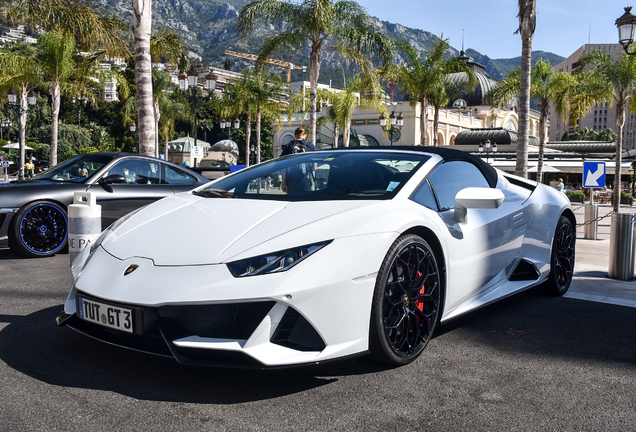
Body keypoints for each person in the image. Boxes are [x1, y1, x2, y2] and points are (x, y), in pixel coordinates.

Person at [281, 127, 316, 193]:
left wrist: (283, 183)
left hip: (292, 180)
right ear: (305, 135)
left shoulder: (289, 145)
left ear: (295, 135)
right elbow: (314, 167)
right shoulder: (310, 146)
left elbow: (283, 167)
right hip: (305, 180)